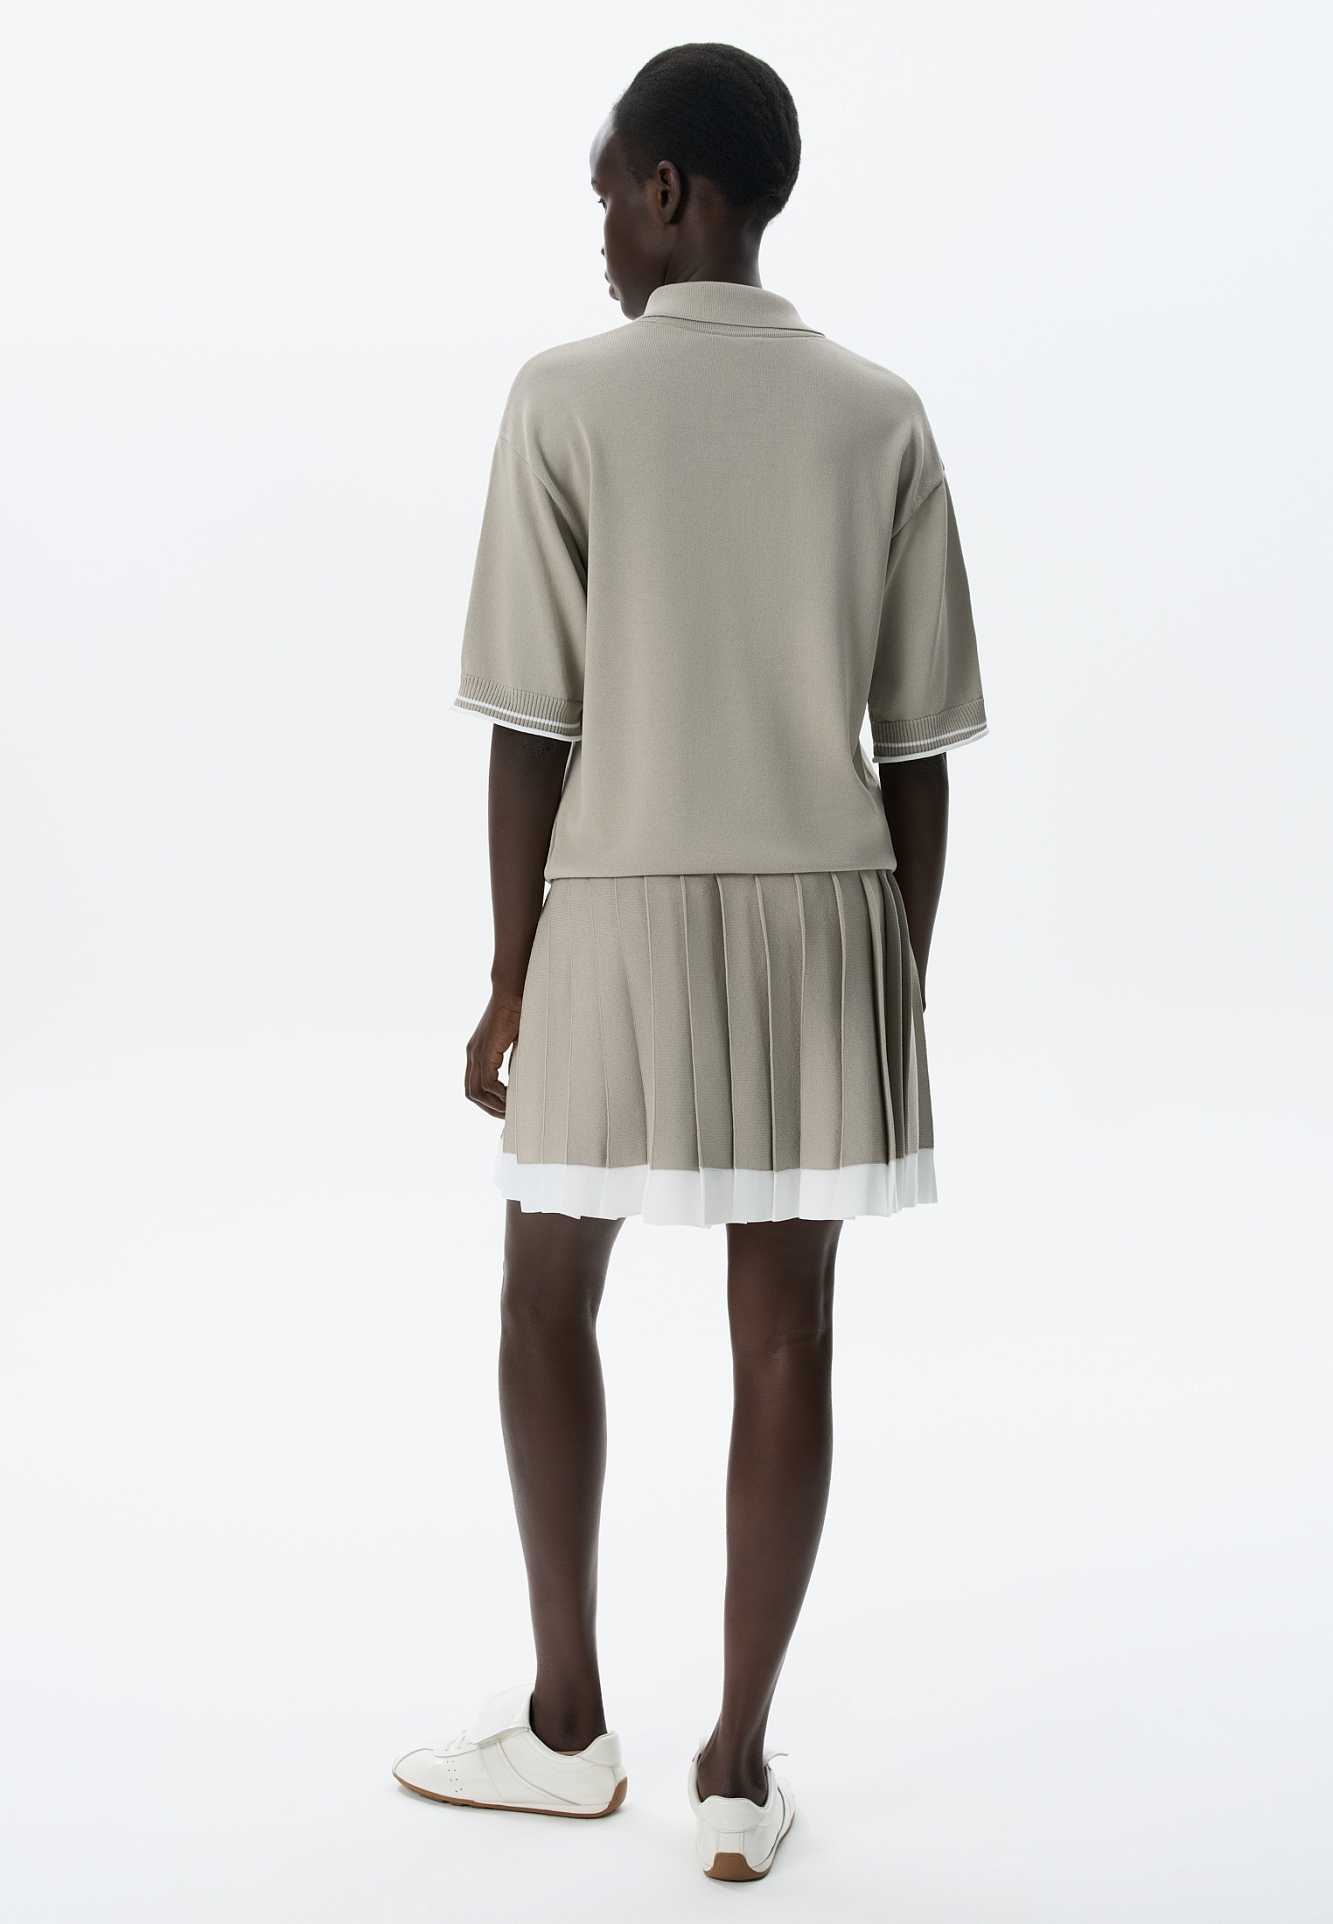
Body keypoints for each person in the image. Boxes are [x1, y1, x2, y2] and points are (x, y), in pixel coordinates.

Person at [392, 42, 986, 1882]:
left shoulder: (564, 398)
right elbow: (917, 754)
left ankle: (567, 1728)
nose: (597, 230)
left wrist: (511, 975)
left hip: (611, 914)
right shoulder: (879, 413)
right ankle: (734, 1772)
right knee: (786, 1331)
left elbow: (531, 727)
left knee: (540, 1299)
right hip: (826, 919)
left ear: (670, 191)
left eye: (606, 191)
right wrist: (894, 973)